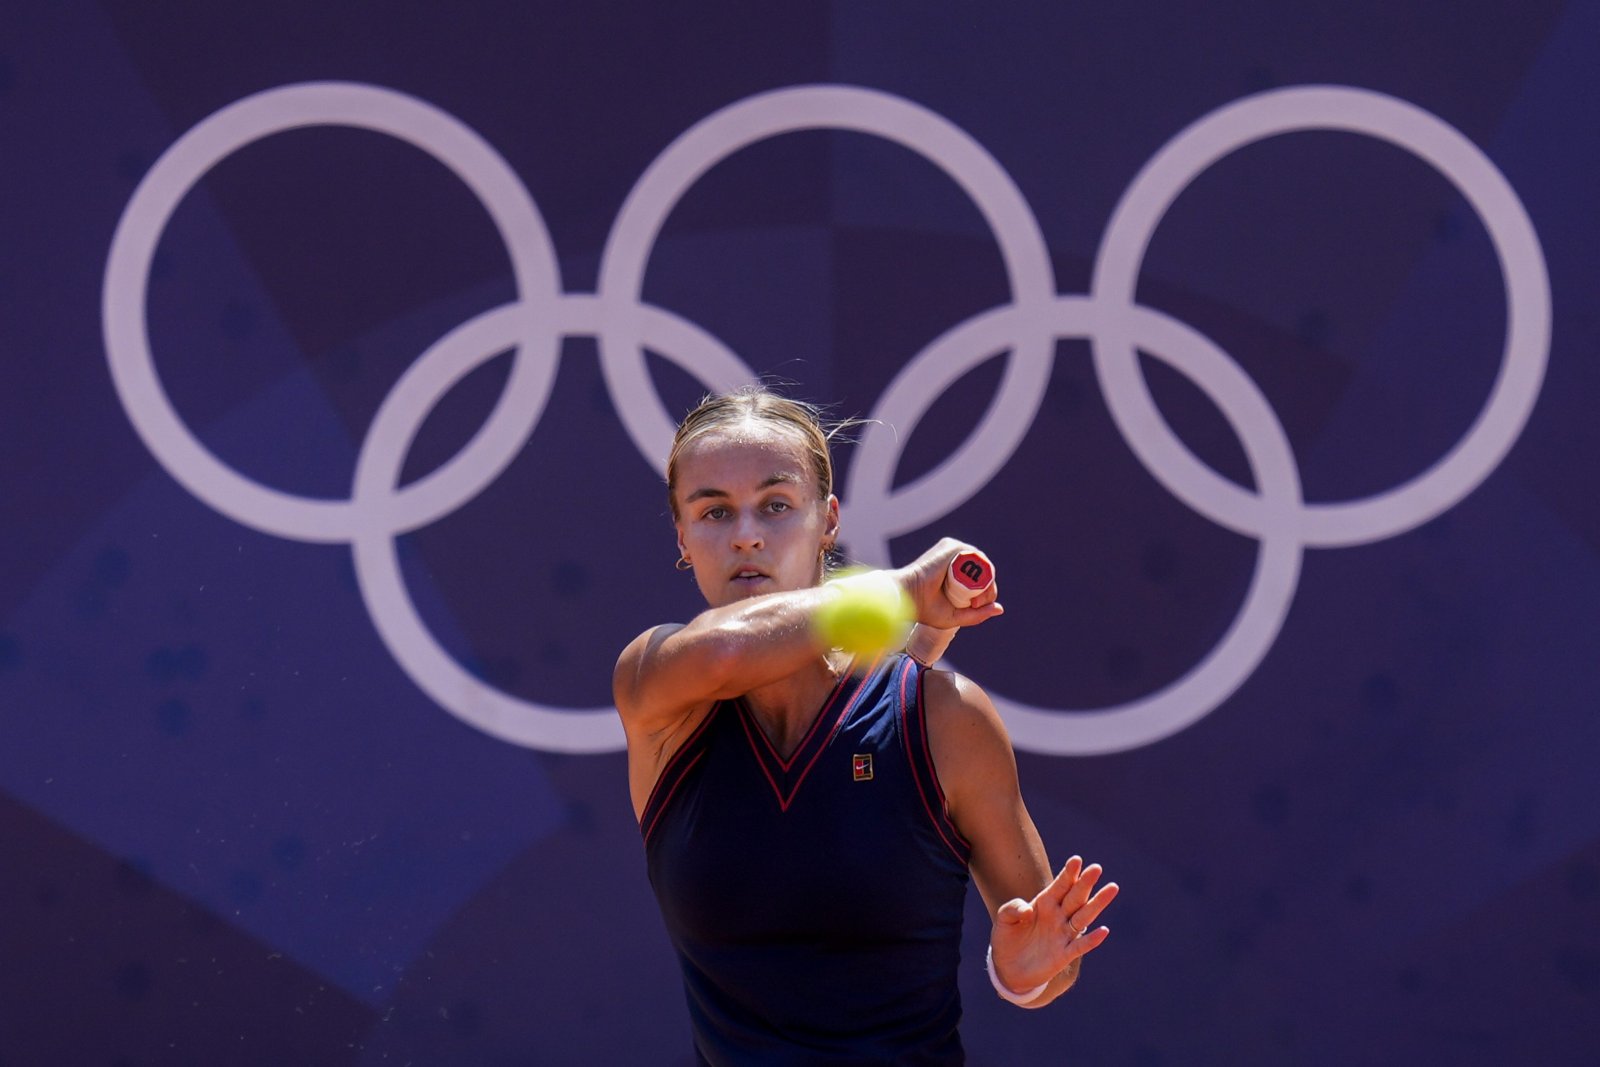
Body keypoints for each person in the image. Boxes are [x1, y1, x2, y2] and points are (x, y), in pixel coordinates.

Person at [614, 385, 1117, 1064]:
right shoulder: (655, 684)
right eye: (713, 511)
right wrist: (898, 593)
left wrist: (1024, 971)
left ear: (828, 520)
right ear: (681, 536)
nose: (746, 534)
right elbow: (730, 651)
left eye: (776, 504)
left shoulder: (945, 715)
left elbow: (1050, 960)